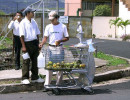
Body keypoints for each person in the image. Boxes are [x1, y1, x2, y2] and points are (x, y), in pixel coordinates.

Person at [39, 11, 69, 91]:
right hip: (51, 48)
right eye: (50, 19)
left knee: (59, 67)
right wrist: (42, 43)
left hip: (59, 48)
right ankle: (47, 84)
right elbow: (45, 37)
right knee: (49, 66)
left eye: (53, 19)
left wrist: (60, 40)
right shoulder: (48, 27)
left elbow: (67, 37)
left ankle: (58, 84)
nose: (51, 21)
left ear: (57, 18)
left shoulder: (63, 26)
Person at [19, 7, 44, 84]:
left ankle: (35, 77)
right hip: (27, 43)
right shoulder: (23, 22)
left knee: (35, 61)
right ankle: (25, 78)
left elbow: (37, 33)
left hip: (34, 43)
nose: (33, 13)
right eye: (32, 12)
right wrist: (23, 46)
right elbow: (21, 35)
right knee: (26, 61)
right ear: (28, 13)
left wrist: (38, 43)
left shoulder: (34, 21)